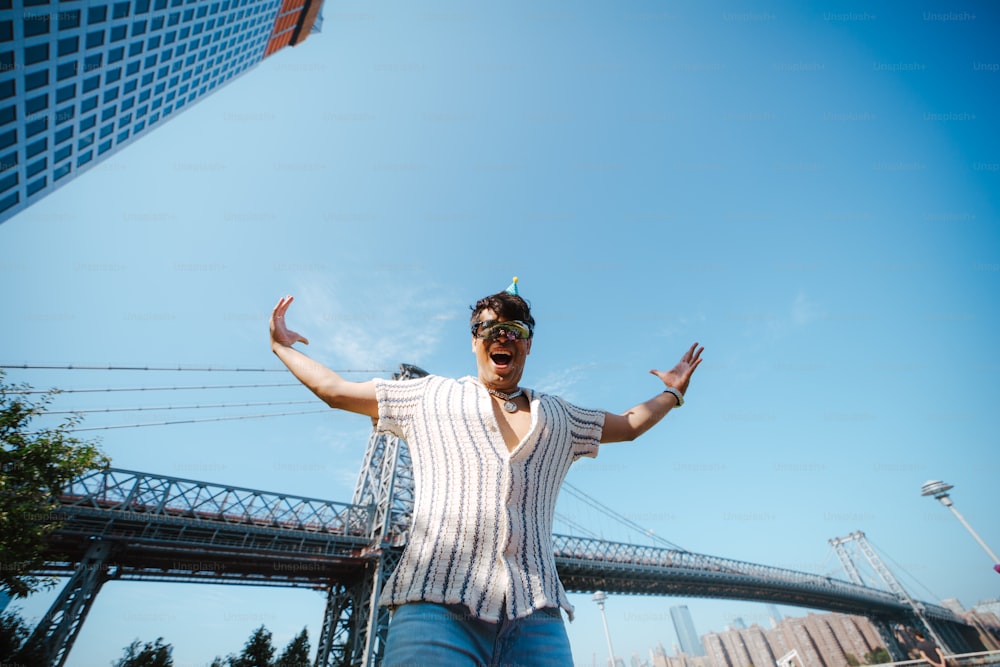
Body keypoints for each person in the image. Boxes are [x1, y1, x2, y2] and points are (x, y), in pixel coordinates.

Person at [269, 280, 703, 667]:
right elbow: (335, 391)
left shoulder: (561, 417)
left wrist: (671, 393)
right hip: (433, 610)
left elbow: (628, 426)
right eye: (490, 328)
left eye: (515, 331)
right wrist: (282, 347)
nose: (503, 336)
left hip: (538, 619)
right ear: (474, 341)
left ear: (528, 345)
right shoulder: (429, 396)